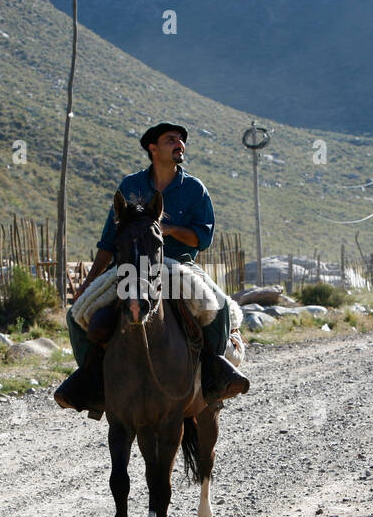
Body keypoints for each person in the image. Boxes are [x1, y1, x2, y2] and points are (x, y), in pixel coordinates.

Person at [54, 122, 249, 415]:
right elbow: (109, 241)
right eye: (171, 139)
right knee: (76, 315)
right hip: (131, 268)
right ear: (153, 148)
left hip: (178, 267)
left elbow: (203, 238)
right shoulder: (130, 186)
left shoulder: (195, 189)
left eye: (182, 140)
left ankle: (214, 376)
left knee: (219, 307)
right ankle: (93, 382)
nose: (179, 144)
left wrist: (168, 229)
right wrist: (89, 282)